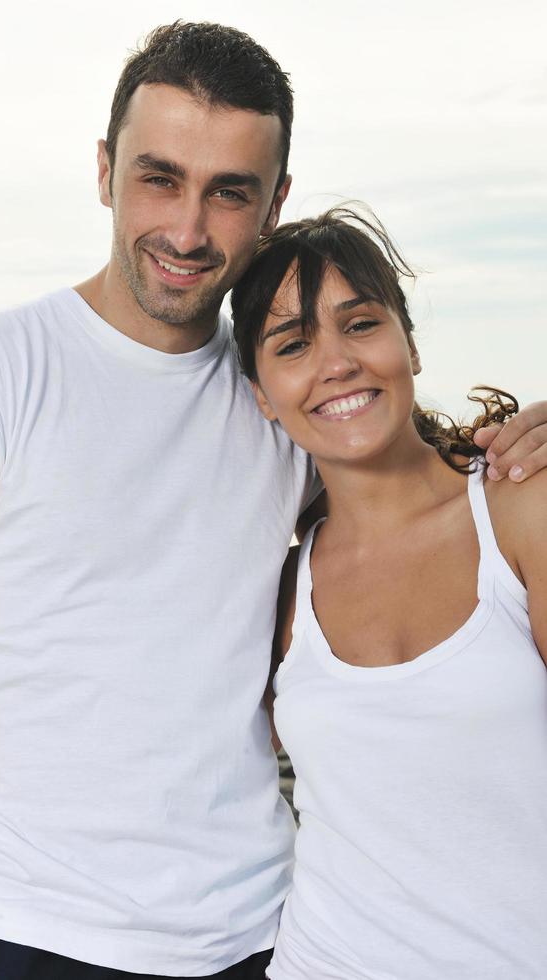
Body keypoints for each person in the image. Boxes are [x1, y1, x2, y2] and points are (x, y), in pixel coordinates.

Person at [0, 20, 545, 980]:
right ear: (106, 169)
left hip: (263, 938)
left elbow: (404, 466)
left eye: (229, 192)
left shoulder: (281, 400)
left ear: (273, 203)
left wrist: (521, 436)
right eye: (160, 177)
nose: (189, 230)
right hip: (32, 932)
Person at [231, 206, 547, 979]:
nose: (335, 363)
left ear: (406, 341)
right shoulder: (279, 587)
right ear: (263, 394)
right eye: (294, 345)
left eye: (360, 324)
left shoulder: (518, 509)